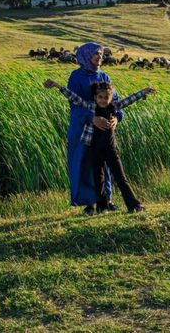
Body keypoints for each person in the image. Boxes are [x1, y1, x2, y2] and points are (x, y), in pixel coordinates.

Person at [44, 79, 156, 214]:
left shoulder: (114, 107)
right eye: (100, 97)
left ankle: (134, 205)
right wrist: (57, 86)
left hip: (110, 150)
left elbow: (129, 100)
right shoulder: (91, 107)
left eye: (106, 97)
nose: (103, 100)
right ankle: (102, 207)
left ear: (111, 98)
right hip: (94, 150)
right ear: (95, 97)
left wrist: (143, 92)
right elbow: (73, 97)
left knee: (121, 178)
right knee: (98, 179)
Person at [60, 42, 122, 214]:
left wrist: (116, 118)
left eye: (101, 54)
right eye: (96, 54)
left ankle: (106, 200)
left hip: (103, 130)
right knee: (86, 163)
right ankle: (90, 203)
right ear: (86, 55)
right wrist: (92, 118)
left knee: (105, 165)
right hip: (82, 129)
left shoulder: (105, 77)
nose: (100, 56)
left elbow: (115, 102)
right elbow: (75, 104)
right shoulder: (76, 77)